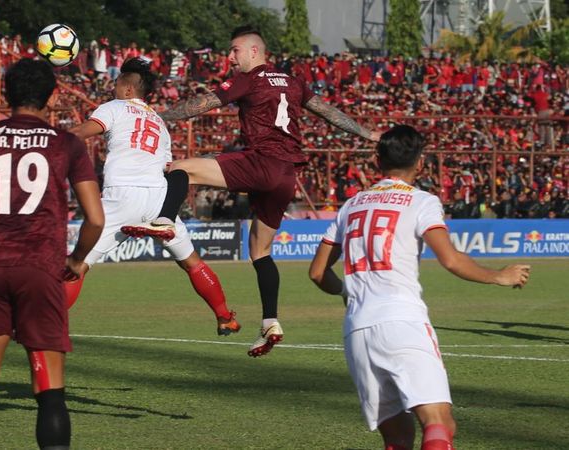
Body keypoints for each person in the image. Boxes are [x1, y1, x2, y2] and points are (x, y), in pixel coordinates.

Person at [122, 25, 380, 358]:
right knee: (259, 251)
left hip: (261, 162)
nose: (231, 57)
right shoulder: (293, 81)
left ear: (254, 52)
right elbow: (329, 113)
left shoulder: (251, 78)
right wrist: (367, 134)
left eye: (235, 50)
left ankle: (165, 220)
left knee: (180, 168)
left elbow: (204, 104)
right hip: (287, 174)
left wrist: (158, 116)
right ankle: (270, 322)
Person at [308, 125, 530, 450]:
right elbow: (451, 260)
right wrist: (500, 276)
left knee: (397, 439)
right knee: (439, 424)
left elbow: (317, 273)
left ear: (376, 160)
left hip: (357, 329)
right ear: (421, 162)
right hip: (403, 320)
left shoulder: (351, 205)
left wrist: (346, 292)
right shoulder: (422, 201)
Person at [0, 59, 104, 450]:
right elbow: (94, 218)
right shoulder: (67, 143)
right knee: (49, 391)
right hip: (40, 270)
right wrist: (77, 260)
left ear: (5, 95)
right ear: (52, 96)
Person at [67, 57, 240, 335]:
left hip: (122, 195)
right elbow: (166, 166)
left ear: (127, 91)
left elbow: (80, 133)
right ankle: (224, 316)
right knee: (192, 263)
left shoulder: (114, 107)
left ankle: (41, 323)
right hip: (159, 199)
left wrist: (50, 141)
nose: (113, 89)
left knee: (78, 265)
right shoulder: (159, 122)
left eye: (116, 84)